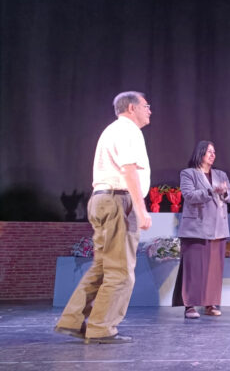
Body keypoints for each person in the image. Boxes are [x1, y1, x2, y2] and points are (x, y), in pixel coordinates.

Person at [54, 91, 152, 344]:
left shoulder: (112, 130)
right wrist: (141, 209)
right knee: (120, 271)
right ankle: (101, 328)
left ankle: (72, 320)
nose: (149, 110)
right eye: (146, 105)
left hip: (101, 200)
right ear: (131, 108)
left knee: (102, 267)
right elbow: (129, 170)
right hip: (118, 200)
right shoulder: (128, 130)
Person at [172, 140, 230, 319]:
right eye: (209, 151)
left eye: (214, 152)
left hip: (218, 228)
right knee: (194, 268)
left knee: (214, 269)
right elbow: (189, 195)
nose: (212, 155)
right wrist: (211, 191)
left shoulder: (221, 174)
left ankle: (210, 304)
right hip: (196, 228)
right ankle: (190, 306)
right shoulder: (188, 173)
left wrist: (224, 192)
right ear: (200, 153)